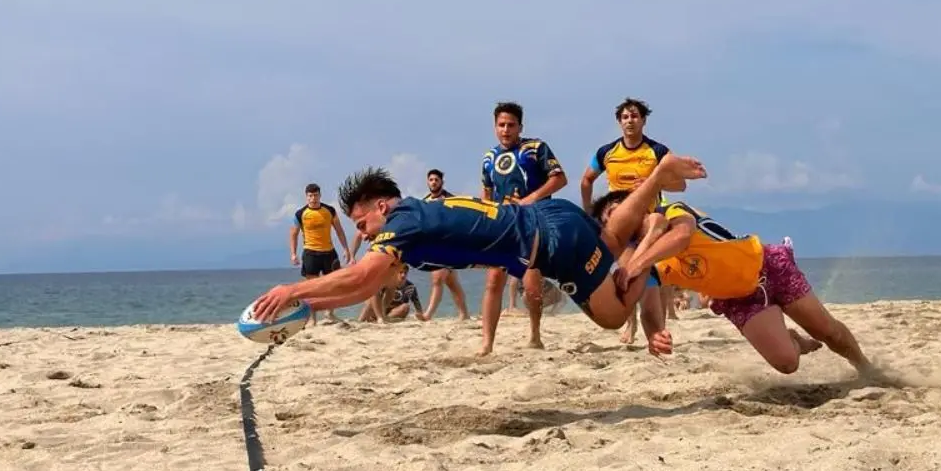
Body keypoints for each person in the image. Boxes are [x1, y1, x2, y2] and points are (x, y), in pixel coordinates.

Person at [249, 156, 708, 354]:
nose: (364, 233)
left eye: (362, 222)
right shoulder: (416, 212)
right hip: (556, 218)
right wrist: (307, 303)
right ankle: (654, 182)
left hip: (548, 245)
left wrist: (293, 289)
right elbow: (366, 284)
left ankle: (648, 254)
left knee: (609, 315)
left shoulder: (402, 224)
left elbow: (361, 279)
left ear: (381, 207)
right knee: (607, 243)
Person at [591, 191, 877, 377]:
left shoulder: (671, 210)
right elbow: (650, 309)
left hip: (768, 266)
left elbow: (680, 237)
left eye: (618, 209)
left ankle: (866, 368)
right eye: (609, 220)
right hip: (738, 299)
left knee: (827, 330)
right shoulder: (644, 263)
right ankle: (794, 341)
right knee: (787, 364)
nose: (617, 218)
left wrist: (636, 262)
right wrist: (654, 334)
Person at [580, 98, 688, 347]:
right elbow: (586, 180)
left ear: (643, 120)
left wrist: (655, 182)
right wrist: (589, 212)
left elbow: (680, 184)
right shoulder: (607, 152)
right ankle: (632, 323)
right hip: (618, 223)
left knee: (651, 274)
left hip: (649, 223)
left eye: (635, 116)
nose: (630, 121)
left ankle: (656, 328)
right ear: (619, 122)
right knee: (626, 270)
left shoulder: (657, 151)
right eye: (625, 117)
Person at [479, 101, 567, 355]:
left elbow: (560, 179)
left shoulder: (535, 148)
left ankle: (535, 334)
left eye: (511, 125)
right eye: (501, 125)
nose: (506, 130)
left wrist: (531, 199)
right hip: (502, 224)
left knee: (531, 284)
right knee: (493, 281)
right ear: (495, 127)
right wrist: (486, 219)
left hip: (533, 222)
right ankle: (487, 342)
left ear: (520, 126)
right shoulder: (489, 158)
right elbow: (487, 190)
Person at [289, 183, 352, 325]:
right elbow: (293, 234)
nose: (313, 198)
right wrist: (293, 253)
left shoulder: (329, 210)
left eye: (315, 195)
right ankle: (312, 319)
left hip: (329, 252)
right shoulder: (300, 214)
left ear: (320, 195)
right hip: (311, 252)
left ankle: (329, 313)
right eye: (310, 196)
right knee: (312, 288)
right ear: (306, 197)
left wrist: (346, 249)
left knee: (335, 284)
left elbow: (339, 230)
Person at [417, 168, 470, 322]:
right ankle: (464, 313)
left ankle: (428, 314)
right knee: (451, 282)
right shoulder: (424, 202)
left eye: (436, 180)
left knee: (437, 279)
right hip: (433, 245)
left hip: (449, 244)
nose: (433, 182)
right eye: (431, 180)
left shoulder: (451, 200)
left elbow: (460, 221)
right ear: (427, 182)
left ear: (442, 182)